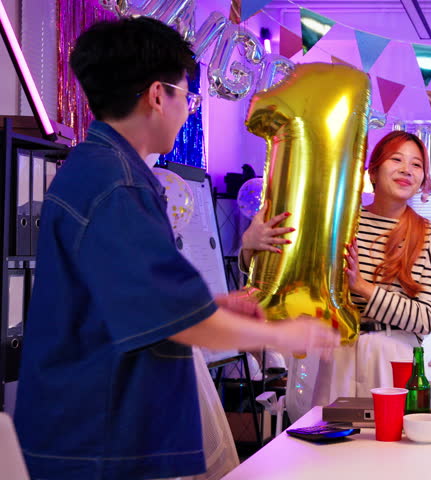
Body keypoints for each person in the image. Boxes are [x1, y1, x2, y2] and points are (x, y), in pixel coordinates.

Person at [13, 17, 337, 480]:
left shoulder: (105, 169)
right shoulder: (116, 183)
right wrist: (286, 335)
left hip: (99, 433)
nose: (187, 109)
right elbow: (179, 320)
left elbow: (134, 301)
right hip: (99, 442)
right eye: (188, 96)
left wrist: (216, 305)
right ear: (157, 94)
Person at [239, 130, 431, 420]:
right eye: (396, 159)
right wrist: (250, 247)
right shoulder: (339, 223)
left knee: (392, 453)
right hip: (337, 354)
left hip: (394, 357)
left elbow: (425, 319)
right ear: (372, 172)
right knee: (331, 448)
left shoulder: (428, 235)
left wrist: (362, 287)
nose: (406, 170)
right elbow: (284, 281)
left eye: (416, 165)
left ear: (423, 179)